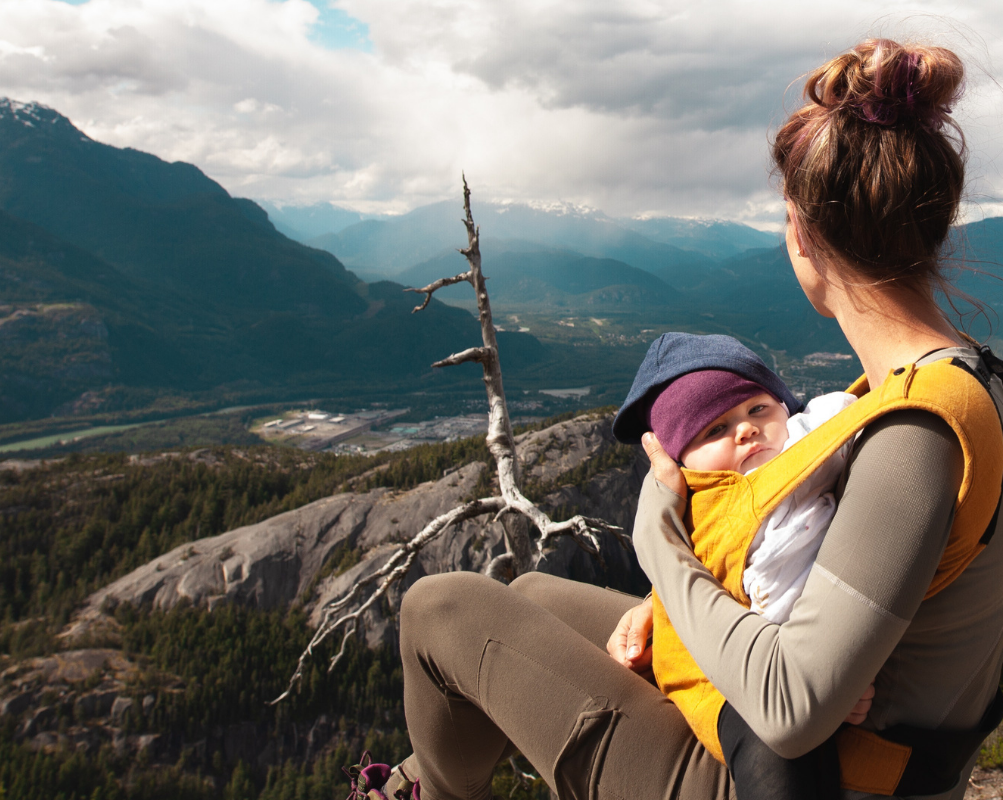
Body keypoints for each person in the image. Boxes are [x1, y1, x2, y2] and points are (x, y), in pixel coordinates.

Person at [359, 38, 1003, 800]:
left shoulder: (920, 433)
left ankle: (418, 793)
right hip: (849, 751)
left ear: (803, 237)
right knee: (534, 599)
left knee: (441, 609)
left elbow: (792, 709)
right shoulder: (957, 384)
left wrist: (658, 542)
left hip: (798, 777)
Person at [609, 333, 860, 800]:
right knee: (777, 756)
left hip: (813, 658)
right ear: (684, 464)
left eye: (758, 410)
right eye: (713, 430)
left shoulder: (820, 444)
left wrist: (842, 675)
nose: (745, 429)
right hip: (725, 685)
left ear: (788, 408)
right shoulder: (700, 511)